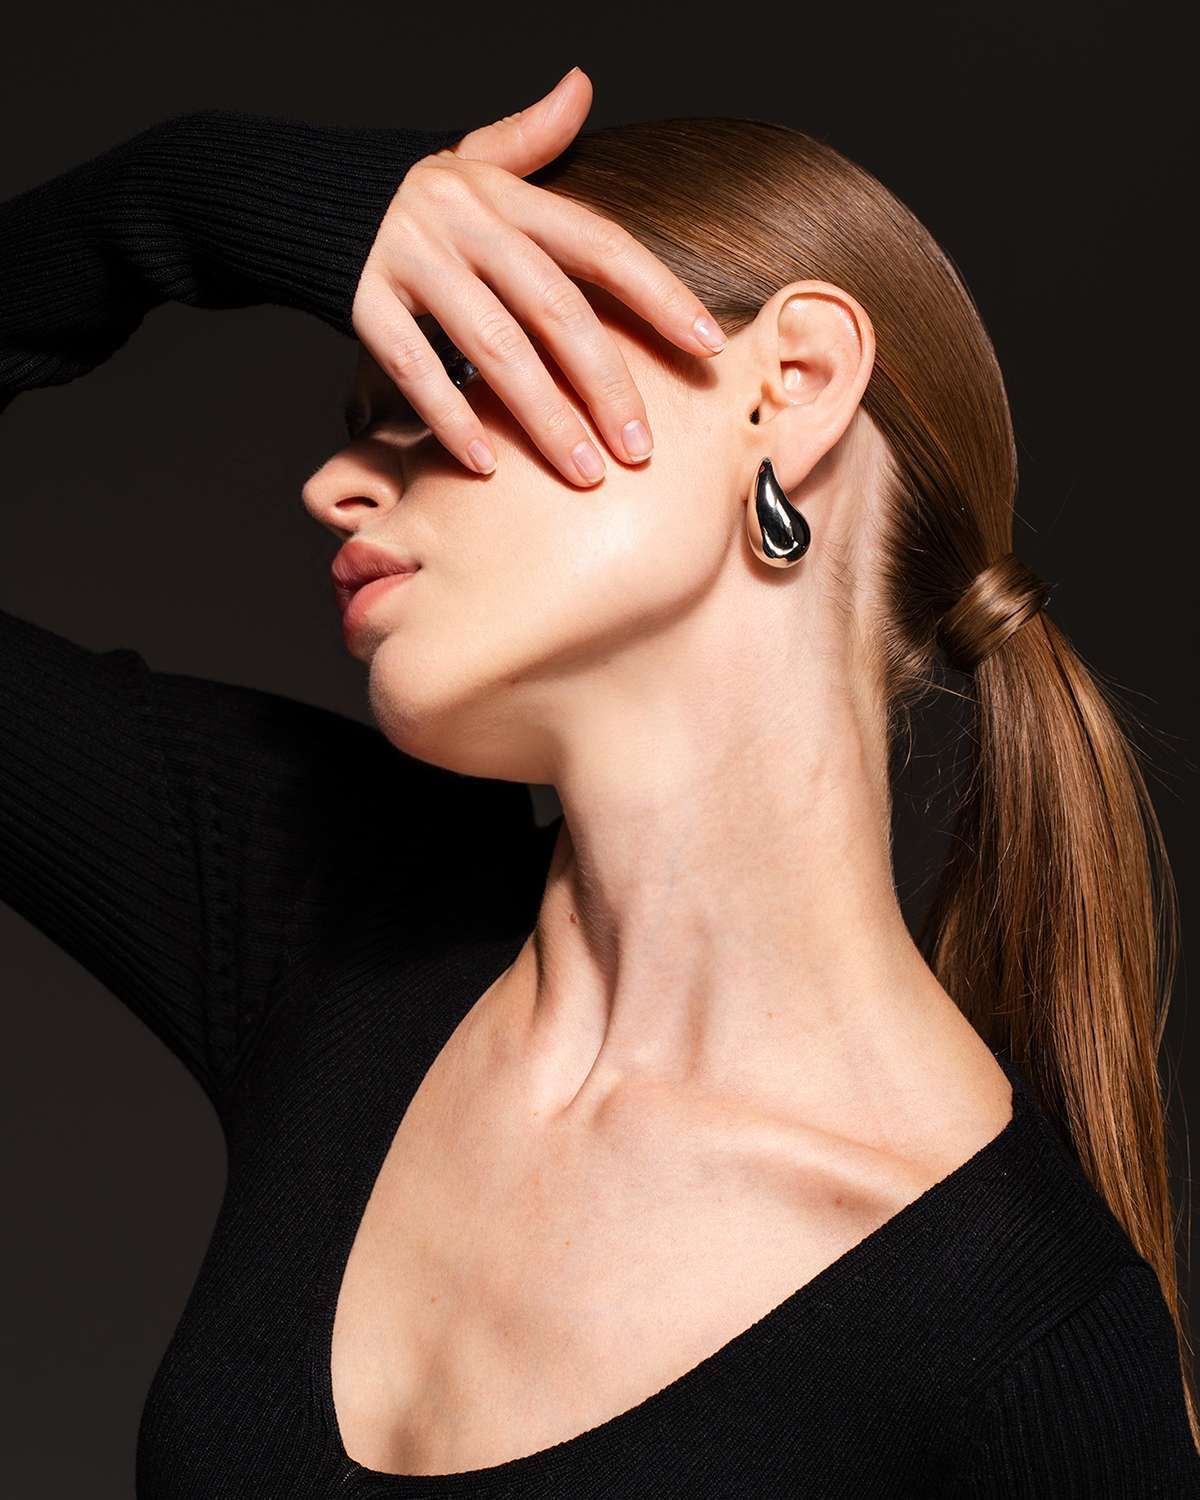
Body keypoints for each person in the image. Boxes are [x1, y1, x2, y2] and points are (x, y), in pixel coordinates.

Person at [1, 64, 1196, 1497]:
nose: (335, 482)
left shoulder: (1026, 1343)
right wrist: (197, 200)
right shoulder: (331, 910)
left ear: (792, 387)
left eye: (454, 372)